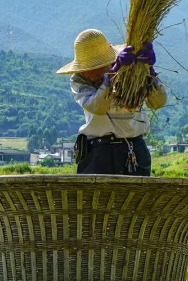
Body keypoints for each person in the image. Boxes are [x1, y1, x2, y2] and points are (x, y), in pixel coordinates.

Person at [56, 28, 167, 176]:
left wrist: (150, 72)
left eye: (96, 68)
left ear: (109, 61)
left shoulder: (132, 71)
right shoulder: (79, 79)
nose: (91, 75)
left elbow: (158, 103)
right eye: (87, 69)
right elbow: (98, 106)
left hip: (135, 151)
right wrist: (112, 75)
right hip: (99, 153)